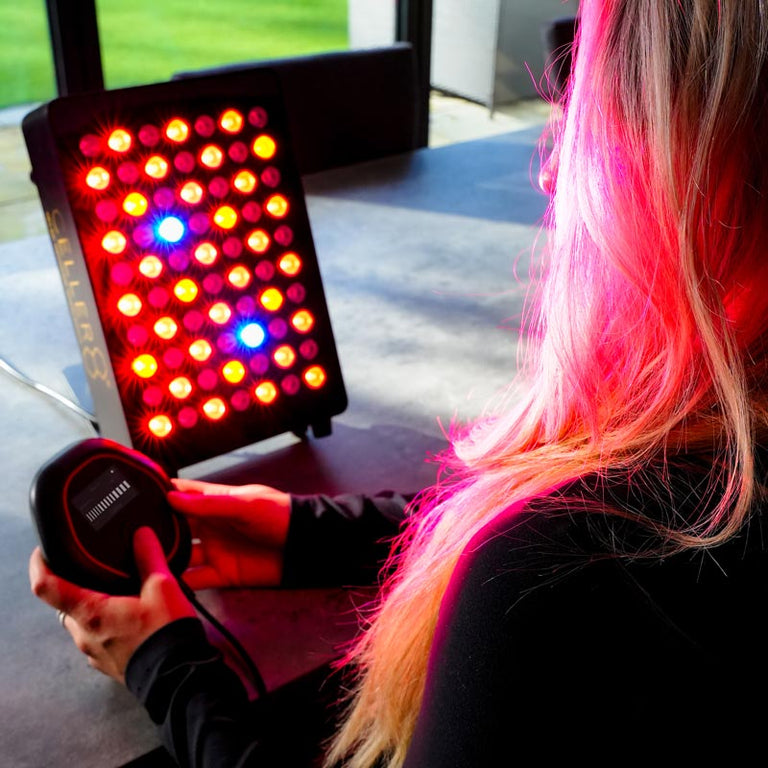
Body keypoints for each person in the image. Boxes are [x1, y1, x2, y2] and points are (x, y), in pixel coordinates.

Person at [29, 0, 768, 764]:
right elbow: (633, 513)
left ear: (700, 178)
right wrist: (296, 536)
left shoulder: (555, 590)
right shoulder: (701, 491)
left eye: (593, 117)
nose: (552, 171)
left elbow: (572, 546)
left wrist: (166, 667)